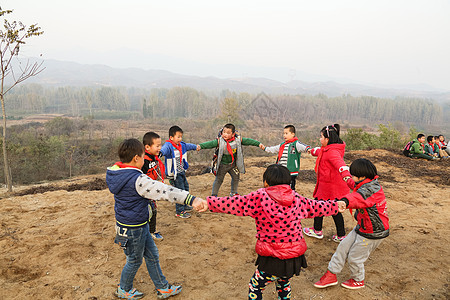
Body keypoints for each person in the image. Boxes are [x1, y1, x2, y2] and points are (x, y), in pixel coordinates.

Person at [202, 164, 346, 299]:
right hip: (293, 257)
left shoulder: (259, 197)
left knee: (256, 287)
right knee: (283, 284)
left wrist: (210, 203)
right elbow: (316, 206)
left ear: (266, 182)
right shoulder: (296, 198)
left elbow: (235, 203)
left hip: (272, 257)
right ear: (288, 182)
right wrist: (335, 205)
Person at [106, 138, 207, 299]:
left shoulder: (117, 172)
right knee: (134, 260)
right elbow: (164, 190)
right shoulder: (137, 180)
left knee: (152, 254)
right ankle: (124, 289)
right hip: (133, 229)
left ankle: (163, 287)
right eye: (142, 155)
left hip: (138, 224)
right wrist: (190, 199)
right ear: (136, 158)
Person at [313, 158, 389, 290]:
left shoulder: (370, 190)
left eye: (353, 174)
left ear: (362, 176)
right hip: (363, 226)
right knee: (343, 246)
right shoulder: (365, 183)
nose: (352, 177)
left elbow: (357, 197)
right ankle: (331, 274)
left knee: (355, 257)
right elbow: (352, 183)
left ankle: (358, 280)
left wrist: (343, 201)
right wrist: (344, 172)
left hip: (373, 232)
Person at [303, 124, 355, 243]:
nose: (320, 139)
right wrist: (310, 150)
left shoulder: (332, 153)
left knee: (321, 206)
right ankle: (340, 235)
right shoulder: (328, 149)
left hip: (330, 186)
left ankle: (317, 231)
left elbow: (340, 165)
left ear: (327, 139)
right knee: (333, 209)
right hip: (329, 185)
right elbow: (319, 151)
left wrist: (347, 177)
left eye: (321, 137)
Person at [198, 123, 263, 196]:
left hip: (232, 165)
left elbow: (248, 141)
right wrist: (200, 146)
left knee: (236, 177)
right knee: (219, 180)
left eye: (228, 133)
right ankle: (214, 195)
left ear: (233, 134)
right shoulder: (220, 141)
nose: (225, 134)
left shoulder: (237, 140)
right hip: (222, 165)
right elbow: (210, 144)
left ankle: (233, 192)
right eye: (224, 132)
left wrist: (258, 144)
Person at [160, 125, 198, 218]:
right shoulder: (169, 146)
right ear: (171, 137)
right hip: (174, 174)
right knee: (179, 191)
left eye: (181, 136)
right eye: (178, 137)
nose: (180, 138)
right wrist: (160, 153)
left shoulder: (181, 145)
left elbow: (188, 145)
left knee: (185, 188)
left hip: (181, 172)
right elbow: (164, 150)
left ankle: (185, 204)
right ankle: (179, 211)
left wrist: (196, 147)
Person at [261, 124, 311, 190]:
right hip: (281, 171)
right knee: (281, 186)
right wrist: (265, 148)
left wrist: (308, 149)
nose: (284, 135)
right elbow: (274, 149)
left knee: (290, 187)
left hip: (291, 171)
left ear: (293, 134)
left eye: (286, 133)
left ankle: (291, 198)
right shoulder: (282, 145)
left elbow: (303, 146)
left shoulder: (296, 144)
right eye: (284, 133)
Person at [142, 132, 165, 241]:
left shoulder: (154, 157)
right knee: (150, 212)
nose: (160, 148)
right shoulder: (144, 161)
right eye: (157, 146)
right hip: (146, 192)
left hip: (152, 190)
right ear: (147, 147)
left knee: (153, 210)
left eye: (160, 145)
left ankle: (150, 231)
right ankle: (150, 233)